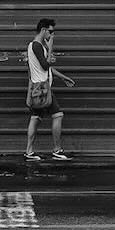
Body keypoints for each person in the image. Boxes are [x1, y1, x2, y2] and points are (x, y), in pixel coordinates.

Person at [23, 18, 75, 162]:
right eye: (50, 32)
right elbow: (46, 65)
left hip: (37, 88)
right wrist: (51, 46)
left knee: (35, 118)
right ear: (44, 30)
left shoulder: (32, 46)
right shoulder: (37, 46)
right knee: (58, 115)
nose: (51, 35)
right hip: (43, 88)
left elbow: (44, 69)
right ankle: (57, 150)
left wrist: (63, 77)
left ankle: (29, 151)